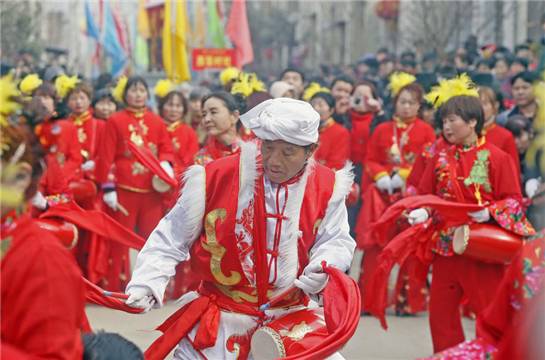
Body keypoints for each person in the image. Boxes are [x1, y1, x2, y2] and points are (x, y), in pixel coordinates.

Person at [124, 98, 356, 359]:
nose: (274, 161)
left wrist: (324, 266)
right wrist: (147, 283)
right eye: (267, 148)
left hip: (291, 320)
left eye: (288, 152)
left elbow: (337, 239)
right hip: (222, 320)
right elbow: (170, 237)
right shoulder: (215, 176)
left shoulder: (327, 186)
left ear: (310, 150)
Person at [408, 79, 533, 352]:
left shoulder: (497, 157)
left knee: (491, 315)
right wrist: (422, 211)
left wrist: (489, 212)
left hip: (483, 248)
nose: (446, 127)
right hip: (446, 248)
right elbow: (426, 194)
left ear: (473, 122)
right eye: (444, 122)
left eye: (452, 120)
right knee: (440, 317)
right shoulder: (440, 158)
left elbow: (514, 201)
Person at [1, 75, 86, 359]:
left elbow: (64, 196)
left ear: (20, 176)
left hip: (46, 219)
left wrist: (47, 203)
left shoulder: (41, 260)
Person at [356, 77, 436, 316]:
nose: (406, 107)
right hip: (382, 196)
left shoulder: (427, 131)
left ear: (419, 106)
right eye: (402, 101)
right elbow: (370, 158)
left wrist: (404, 173)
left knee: (411, 248)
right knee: (375, 249)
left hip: (411, 198)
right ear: (395, 103)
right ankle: (369, 301)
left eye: (412, 103)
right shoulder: (381, 129)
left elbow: (430, 163)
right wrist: (380, 174)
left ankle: (408, 302)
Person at [95, 76, 175, 292]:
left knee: (153, 238)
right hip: (123, 188)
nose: (138, 94)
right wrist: (108, 187)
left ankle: (152, 285)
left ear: (147, 95)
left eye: (142, 90)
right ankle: (118, 285)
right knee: (120, 238)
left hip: (152, 188)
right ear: (125, 94)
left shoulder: (156, 120)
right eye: (134, 90)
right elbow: (106, 156)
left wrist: (166, 163)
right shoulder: (115, 120)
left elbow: (166, 147)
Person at [65, 80, 106, 181]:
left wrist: (94, 164)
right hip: (68, 175)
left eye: (82, 98)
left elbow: (104, 153)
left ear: (89, 101)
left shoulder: (100, 125)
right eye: (74, 98)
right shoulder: (64, 125)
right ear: (68, 103)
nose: (78, 102)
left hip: (93, 175)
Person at [478, 86, 520, 174]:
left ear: (495, 106)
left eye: (485, 104)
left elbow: (513, 172)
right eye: (477, 104)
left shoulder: (505, 136)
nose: (480, 108)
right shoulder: (465, 135)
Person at [193, 92, 242, 166]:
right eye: (204, 114)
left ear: (234, 116)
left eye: (213, 112)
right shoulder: (201, 158)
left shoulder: (252, 151)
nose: (206, 119)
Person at [310, 91, 350, 170]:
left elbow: (338, 161)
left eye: (321, 105)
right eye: (313, 105)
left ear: (331, 110)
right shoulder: (306, 129)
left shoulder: (341, 131)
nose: (316, 108)